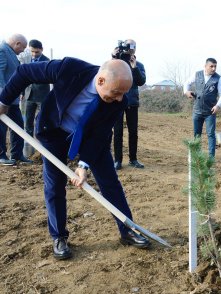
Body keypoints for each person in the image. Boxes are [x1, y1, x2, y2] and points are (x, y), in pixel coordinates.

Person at [0, 57, 151, 260]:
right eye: (116, 92)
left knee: (110, 182)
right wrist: (4, 101)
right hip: (54, 131)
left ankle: (127, 229)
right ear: (100, 81)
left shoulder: (119, 100)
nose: (119, 99)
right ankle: (59, 237)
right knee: (54, 184)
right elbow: (25, 72)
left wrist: (83, 165)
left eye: (123, 94)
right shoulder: (69, 69)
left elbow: (100, 135)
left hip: (90, 138)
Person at [112, 39, 146, 170]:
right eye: (128, 47)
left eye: (133, 47)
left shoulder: (139, 65)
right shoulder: (116, 63)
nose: (130, 49)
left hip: (132, 101)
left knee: (133, 132)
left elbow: (141, 81)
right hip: (117, 101)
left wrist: (134, 67)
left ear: (135, 49)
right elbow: (108, 74)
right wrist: (113, 58)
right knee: (118, 132)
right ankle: (117, 160)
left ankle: (133, 159)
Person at [183, 58, 221, 157]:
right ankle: (196, 156)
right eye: (211, 66)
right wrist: (186, 91)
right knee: (196, 134)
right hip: (197, 110)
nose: (214, 68)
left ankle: (211, 158)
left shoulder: (218, 79)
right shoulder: (197, 74)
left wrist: (218, 105)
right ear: (205, 66)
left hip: (210, 111)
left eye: (215, 66)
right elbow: (187, 83)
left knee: (211, 134)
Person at [0, 33, 31, 165]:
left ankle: (17, 154)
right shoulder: (2, 50)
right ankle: (1, 156)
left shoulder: (11, 53)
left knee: (18, 124)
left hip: (11, 99)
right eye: (23, 47)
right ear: (17, 43)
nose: (23, 50)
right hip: (3, 99)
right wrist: (2, 96)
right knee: (1, 128)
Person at [19, 39, 51, 136]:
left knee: (41, 120)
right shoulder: (26, 60)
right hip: (29, 96)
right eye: (32, 51)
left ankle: (42, 142)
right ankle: (29, 142)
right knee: (28, 120)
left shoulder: (47, 61)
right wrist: (22, 93)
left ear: (42, 50)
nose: (34, 54)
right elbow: (23, 77)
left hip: (42, 96)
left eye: (36, 52)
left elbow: (48, 78)